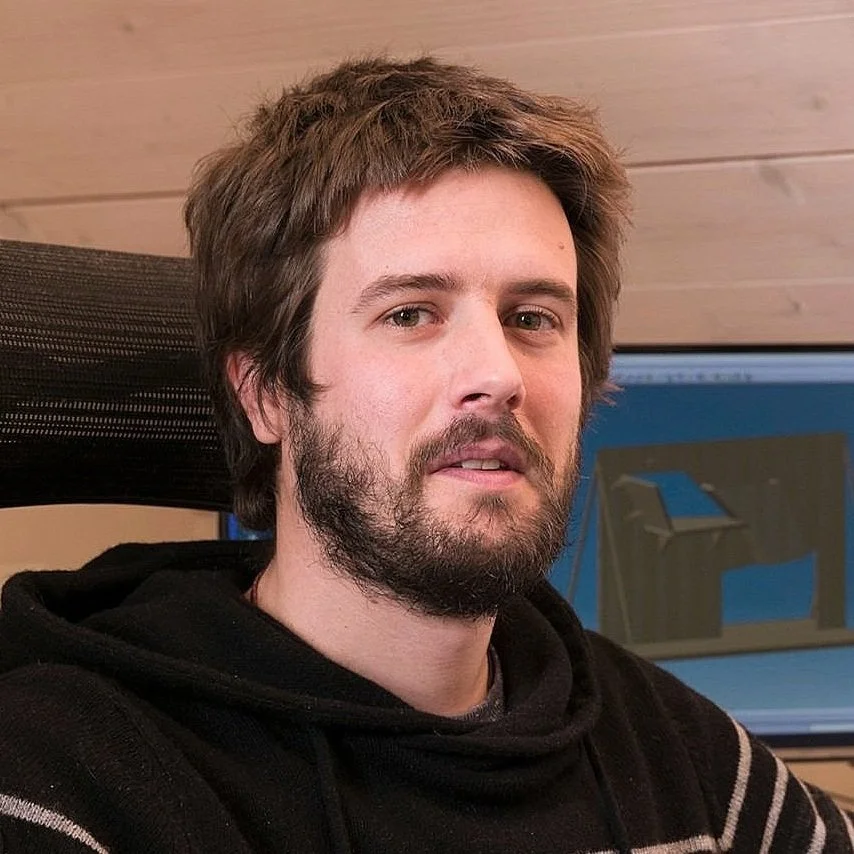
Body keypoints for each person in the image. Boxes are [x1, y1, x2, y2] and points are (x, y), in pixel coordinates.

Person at [0, 55, 851, 854]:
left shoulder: (687, 757)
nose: (497, 373)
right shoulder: (65, 781)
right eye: (411, 313)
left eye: (533, 318)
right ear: (265, 393)